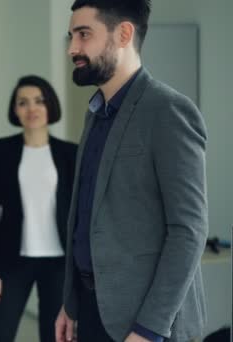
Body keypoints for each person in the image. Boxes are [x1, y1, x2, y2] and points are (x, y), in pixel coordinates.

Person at [55, 1, 208, 341]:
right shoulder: (95, 112)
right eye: (71, 37)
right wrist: (71, 304)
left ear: (123, 33)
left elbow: (189, 231)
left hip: (147, 323)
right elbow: (85, 217)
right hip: (94, 310)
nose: (72, 49)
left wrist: (149, 328)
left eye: (83, 35)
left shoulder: (168, 110)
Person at [0, 75, 77, 342]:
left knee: (55, 336)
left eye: (39, 101)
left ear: (50, 106)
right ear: (15, 110)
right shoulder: (1, 151)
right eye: (23, 102)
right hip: (12, 262)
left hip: (59, 263)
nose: (32, 109)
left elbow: (81, 215)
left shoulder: (71, 153)